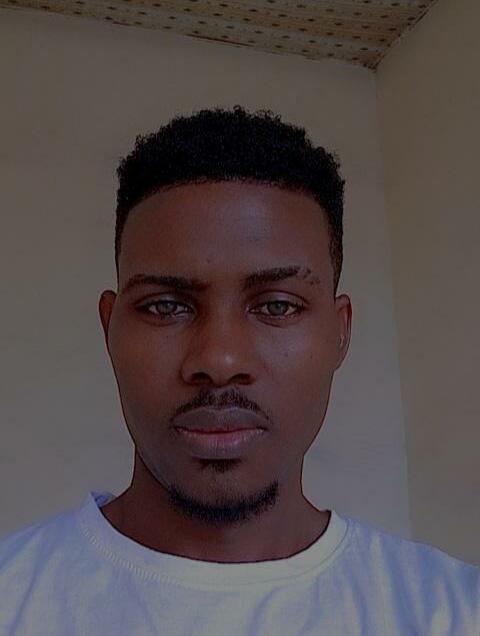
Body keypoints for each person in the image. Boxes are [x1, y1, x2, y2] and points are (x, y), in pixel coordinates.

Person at [0, 105, 478, 634]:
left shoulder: (454, 612)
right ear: (110, 329)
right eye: (166, 306)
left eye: (277, 305)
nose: (219, 360)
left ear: (340, 332)